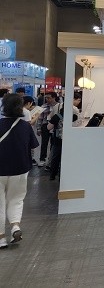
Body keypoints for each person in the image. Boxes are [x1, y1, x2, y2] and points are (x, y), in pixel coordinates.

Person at [0, 94, 39, 248]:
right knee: (16, 199)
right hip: (20, 169)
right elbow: (33, 145)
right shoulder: (25, 126)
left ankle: (1, 238)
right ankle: (15, 226)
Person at [36, 92, 60, 168]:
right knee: (44, 143)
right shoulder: (43, 106)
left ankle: (51, 160)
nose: (47, 99)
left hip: (55, 126)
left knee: (53, 144)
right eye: (46, 98)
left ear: (54, 97)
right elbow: (40, 118)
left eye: (49, 98)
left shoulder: (59, 106)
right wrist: (38, 128)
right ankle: (42, 159)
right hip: (45, 125)